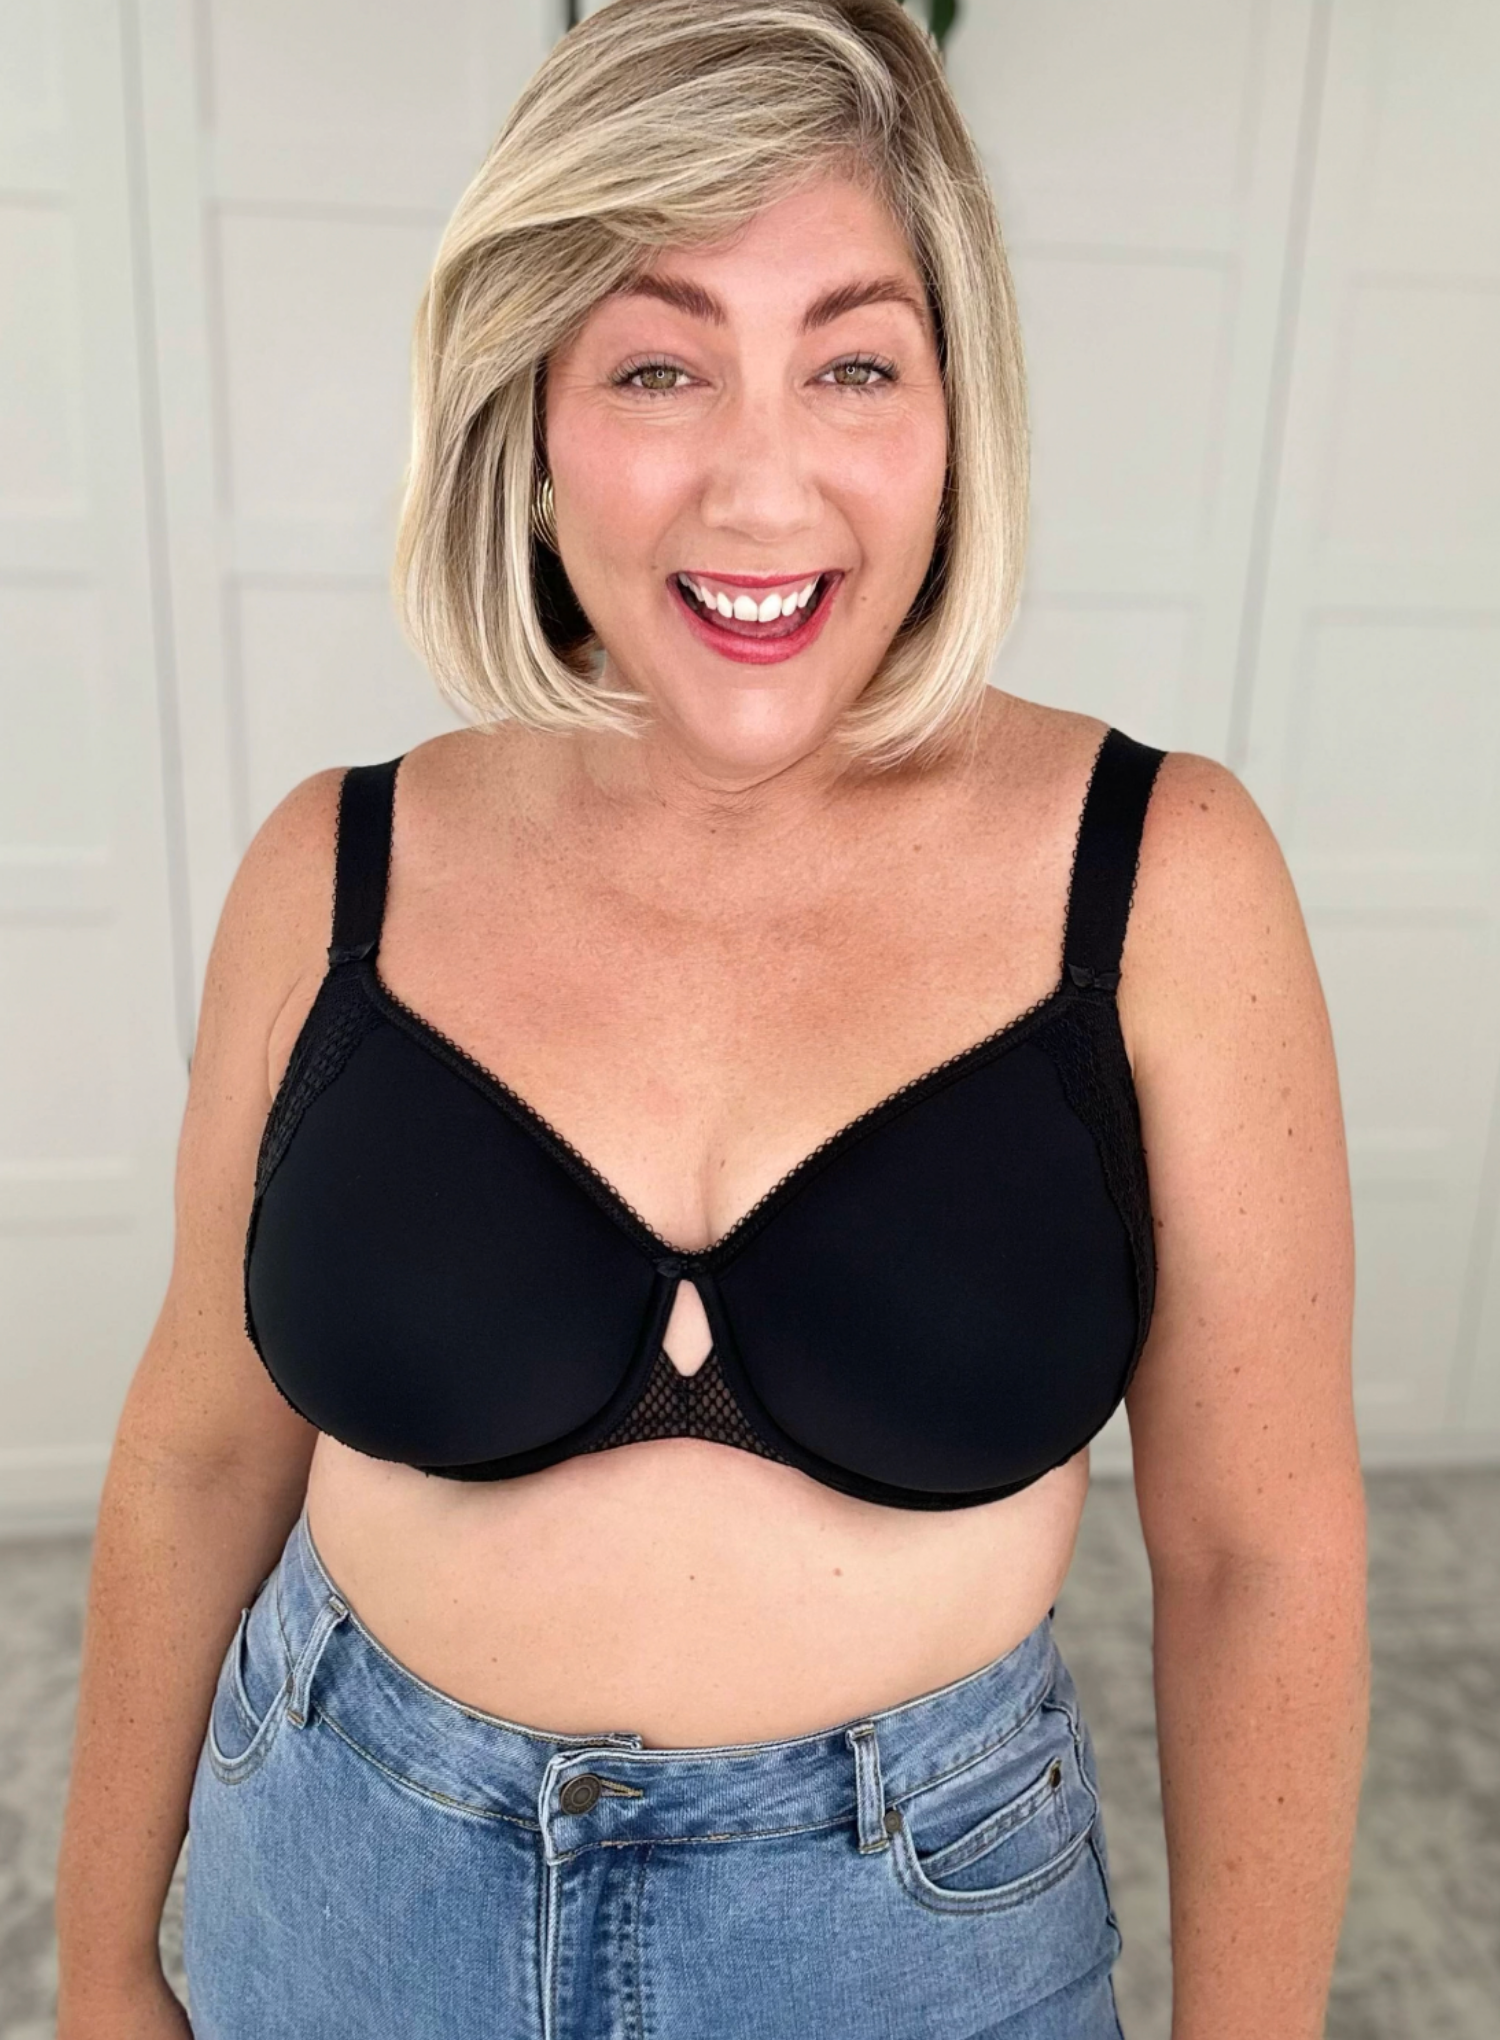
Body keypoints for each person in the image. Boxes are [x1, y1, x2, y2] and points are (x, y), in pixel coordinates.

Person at [53, 2, 1368, 2035]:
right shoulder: (334, 870)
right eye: (659, 365)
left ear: (957, 413)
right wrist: (96, 1965)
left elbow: (1257, 1556)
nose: (763, 490)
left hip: (906, 1949)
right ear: (530, 417)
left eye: (855, 362)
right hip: (338, 1891)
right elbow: (196, 1451)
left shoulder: (1163, 880)